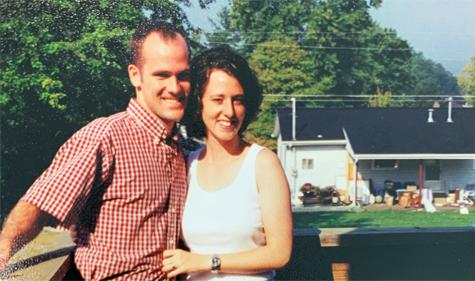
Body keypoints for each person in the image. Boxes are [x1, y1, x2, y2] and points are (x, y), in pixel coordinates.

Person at [0, 19, 191, 280]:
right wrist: (7, 269)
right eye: (162, 75)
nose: (175, 87)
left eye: (183, 75)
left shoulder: (184, 152)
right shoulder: (106, 136)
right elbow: (39, 209)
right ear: (135, 75)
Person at [161, 46, 293, 280]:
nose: (229, 112)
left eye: (238, 100)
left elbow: (279, 253)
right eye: (218, 99)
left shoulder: (263, 163)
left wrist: (206, 262)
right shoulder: (187, 165)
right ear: (199, 103)